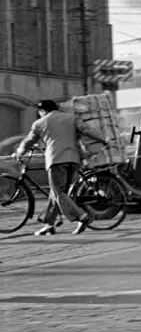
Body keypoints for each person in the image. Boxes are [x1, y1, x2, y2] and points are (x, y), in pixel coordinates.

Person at [15, 99, 108, 235]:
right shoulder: (71, 118)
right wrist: (103, 139)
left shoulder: (39, 123)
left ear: (43, 111)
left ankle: (82, 216)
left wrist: (19, 151)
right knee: (58, 193)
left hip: (56, 160)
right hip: (73, 160)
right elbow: (86, 130)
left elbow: (29, 141)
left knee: (58, 192)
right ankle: (49, 224)